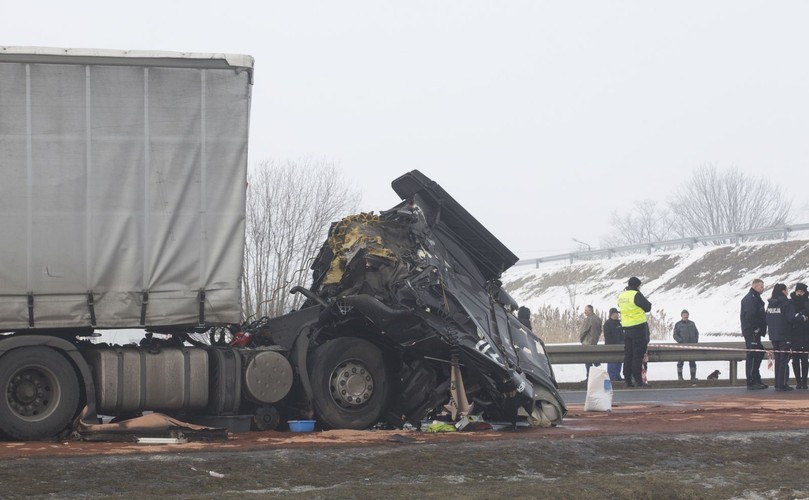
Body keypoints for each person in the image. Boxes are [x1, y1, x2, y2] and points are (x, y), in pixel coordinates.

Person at [766, 283, 807, 391]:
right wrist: (802, 318)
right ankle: (782, 383)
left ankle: (777, 383)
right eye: (787, 290)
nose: (788, 292)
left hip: (774, 335)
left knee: (778, 359)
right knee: (783, 360)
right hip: (784, 335)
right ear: (783, 291)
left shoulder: (770, 304)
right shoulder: (786, 303)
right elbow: (791, 318)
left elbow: (767, 318)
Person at [618, 277, 652, 387]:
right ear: (637, 285)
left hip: (626, 329)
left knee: (628, 355)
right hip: (638, 328)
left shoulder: (621, 295)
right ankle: (638, 380)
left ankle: (627, 379)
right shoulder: (636, 294)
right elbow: (648, 307)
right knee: (638, 355)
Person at [740, 279, 768, 390]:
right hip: (752, 331)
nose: (763, 288)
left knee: (759, 353)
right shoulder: (750, 299)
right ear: (755, 287)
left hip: (755, 331)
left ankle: (756, 378)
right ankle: (751, 380)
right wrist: (756, 327)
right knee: (753, 355)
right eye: (761, 286)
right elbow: (750, 316)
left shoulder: (755, 298)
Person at [790, 283, 809, 389]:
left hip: (805, 334)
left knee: (805, 359)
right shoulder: (791, 302)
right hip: (794, 334)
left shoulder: (807, 302)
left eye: (801, 292)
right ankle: (798, 381)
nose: (799, 294)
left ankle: (804, 382)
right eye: (798, 291)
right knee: (795, 359)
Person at [673, 309, 700, 381]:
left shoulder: (692, 323)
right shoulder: (678, 324)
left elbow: (696, 333)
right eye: (684, 314)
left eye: (686, 314)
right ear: (681, 315)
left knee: (692, 362)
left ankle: (693, 377)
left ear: (688, 315)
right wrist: (680, 341)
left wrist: (695, 341)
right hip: (682, 347)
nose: (685, 315)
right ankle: (680, 377)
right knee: (680, 362)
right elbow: (675, 335)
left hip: (692, 346)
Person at [579, 305, 602, 379]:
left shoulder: (588, 319)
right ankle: (597, 376)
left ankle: (589, 377)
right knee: (595, 361)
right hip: (595, 342)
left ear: (590, 311)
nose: (584, 312)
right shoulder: (598, 319)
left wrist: (581, 339)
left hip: (588, 343)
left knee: (588, 361)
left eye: (586, 310)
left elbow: (583, 331)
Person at [603, 307, 624, 381]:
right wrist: (612, 344)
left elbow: (622, 334)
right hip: (611, 346)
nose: (616, 315)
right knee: (612, 362)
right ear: (611, 314)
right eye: (614, 313)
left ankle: (617, 376)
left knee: (619, 361)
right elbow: (607, 335)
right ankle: (612, 377)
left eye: (617, 313)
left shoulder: (619, 323)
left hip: (620, 346)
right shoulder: (608, 323)